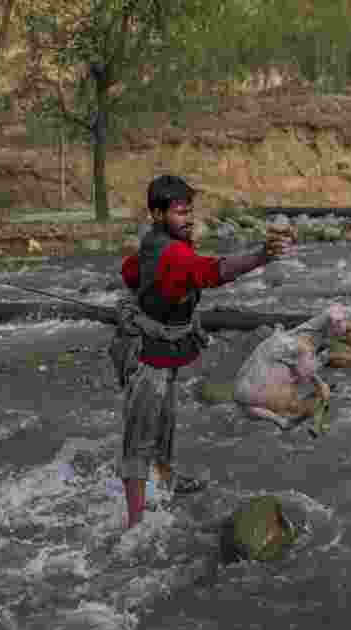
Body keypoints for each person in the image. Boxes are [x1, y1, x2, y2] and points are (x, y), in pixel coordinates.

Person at [115, 175, 294, 529]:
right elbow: (213, 272)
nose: (189, 218)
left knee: (165, 420)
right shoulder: (174, 253)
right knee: (139, 440)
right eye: (181, 212)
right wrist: (260, 255)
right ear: (157, 213)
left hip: (161, 351)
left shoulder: (156, 243)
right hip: (147, 356)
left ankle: (166, 480)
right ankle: (134, 525)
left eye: (190, 211)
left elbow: (129, 271)